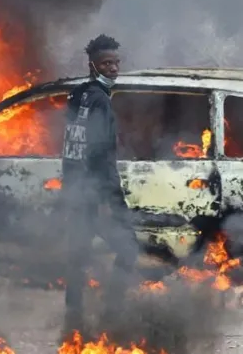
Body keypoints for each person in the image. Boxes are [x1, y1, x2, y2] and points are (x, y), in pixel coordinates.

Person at [59, 34, 139, 337]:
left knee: (78, 253)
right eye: (107, 63)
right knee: (128, 249)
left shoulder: (77, 95)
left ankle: (74, 313)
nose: (114, 68)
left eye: (117, 62)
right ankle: (112, 312)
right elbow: (101, 153)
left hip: (77, 190)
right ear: (93, 65)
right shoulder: (101, 101)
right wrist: (114, 199)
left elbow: (70, 145)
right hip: (96, 192)